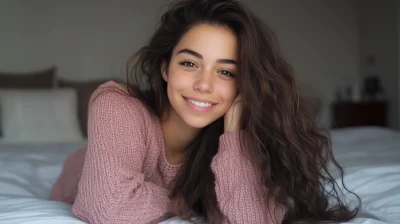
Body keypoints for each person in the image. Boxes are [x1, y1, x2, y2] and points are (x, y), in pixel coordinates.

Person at [51, 0, 361, 223]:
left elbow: (255, 220)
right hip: (76, 179)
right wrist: (183, 200)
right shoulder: (115, 105)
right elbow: (109, 209)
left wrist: (234, 134)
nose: (203, 84)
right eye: (189, 63)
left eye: (226, 72)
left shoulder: (229, 143)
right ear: (165, 68)